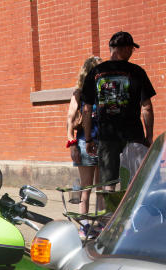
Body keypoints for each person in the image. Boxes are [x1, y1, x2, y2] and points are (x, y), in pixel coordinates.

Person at [82, 31, 155, 186]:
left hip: (106, 136)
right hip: (133, 134)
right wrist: (149, 136)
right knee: (134, 183)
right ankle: (130, 210)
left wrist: (88, 138)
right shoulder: (137, 72)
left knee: (108, 184)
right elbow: (146, 107)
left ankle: (111, 210)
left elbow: (86, 110)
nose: (132, 53)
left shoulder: (96, 73)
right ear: (125, 49)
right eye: (131, 49)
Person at [66, 55, 101, 215]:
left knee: (103, 187)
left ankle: (102, 223)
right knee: (86, 187)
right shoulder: (78, 93)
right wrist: (72, 145)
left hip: (103, 143)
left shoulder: (104, 91)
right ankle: (84, 222)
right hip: (83, 143)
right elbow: (69, 119)